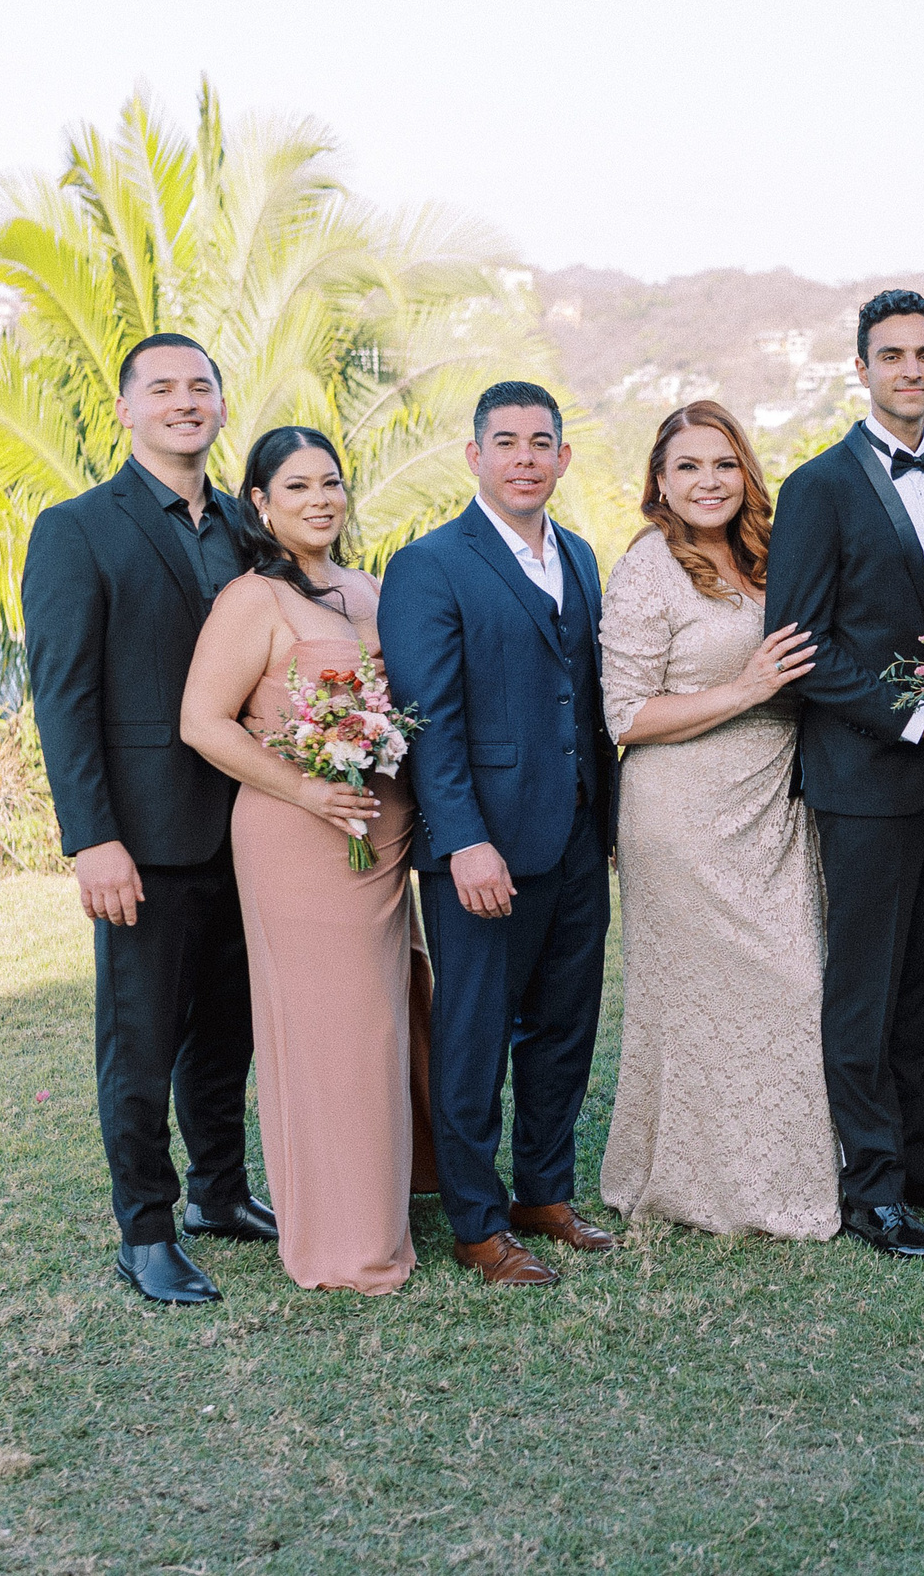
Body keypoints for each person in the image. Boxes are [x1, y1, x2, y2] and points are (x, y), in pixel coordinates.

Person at [22, 333, 273, 1306]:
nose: (184, 400)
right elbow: (63, 698)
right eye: (161, 387)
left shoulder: (249, 535)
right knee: (138, 1045)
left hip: (248, 834)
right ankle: (147, 1232)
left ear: (218, 404)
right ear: (124, 409)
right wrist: (92, 838)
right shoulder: (77, 529)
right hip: (143, 842)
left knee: (226, 1038)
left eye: (200, 386)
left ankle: (220, 1194)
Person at [762, 290, 924, 1260]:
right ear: (859, 368)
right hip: (863, 777)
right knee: (864, 989)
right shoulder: (818, 486)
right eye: (891, 355)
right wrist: (920, 719)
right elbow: (800, 644)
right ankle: (872, 1193)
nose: (910, 369)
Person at [378, 380, 620, 1287]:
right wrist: (463, 838)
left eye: (541, 442)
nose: (526, 457)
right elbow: (425, 717)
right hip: (481, 847)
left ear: (563, 457)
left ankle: (543, 1192)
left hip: (577, 835)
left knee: (564, 1025)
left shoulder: (584, 558)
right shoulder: (430, 564)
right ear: (474, 456)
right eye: (506, 441)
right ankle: (477, 1221)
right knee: (475, 1034)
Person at [178, 427, 429, 1294]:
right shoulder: (252, 599)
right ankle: (343, 1239)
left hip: (383, 830)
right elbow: (203, 722)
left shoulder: (369, 587)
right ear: (260, 502)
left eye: (330, 483)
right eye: (297, 486)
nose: (319, 499)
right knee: (330, 1031)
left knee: (385, 1023)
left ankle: (390, 1199)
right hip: (300, 832)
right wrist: (309, 790)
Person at [597, 401, 837, 1240]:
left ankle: (788, 1175)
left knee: (794, 983)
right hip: (682, 807)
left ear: (748, 474)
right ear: (660, 482)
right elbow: (624, 715)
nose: (709, 482)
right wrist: (747, 688)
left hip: (773, 800)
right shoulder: (646, 570)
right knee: (698, 999)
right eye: (689, 466)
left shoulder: (772, 557)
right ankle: (699, 1184)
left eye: (724, 464)